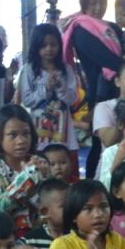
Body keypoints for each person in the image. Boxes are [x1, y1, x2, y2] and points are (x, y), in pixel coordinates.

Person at [0, 105, 50, 237]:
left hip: (38, 235)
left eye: (25, 134)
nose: (21, 141)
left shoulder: (38, 162)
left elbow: (48, 205)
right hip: (5, 238)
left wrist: (46, 179)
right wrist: (28, 176)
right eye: (13, 135)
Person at [16, 24, 79, 157]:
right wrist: (46, 89)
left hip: (63, 126)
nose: (49, 49)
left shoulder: (66, 70)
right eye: (44, 45)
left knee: (63, 163)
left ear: (59, 45)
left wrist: (60, 88)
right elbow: (27, 101)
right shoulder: (29, 70)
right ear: (36, 46)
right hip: (38, 126)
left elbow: (72, 99)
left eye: (53, 44)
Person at [62, 0, 121, 105]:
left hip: (122, 92)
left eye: (103, 2)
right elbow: (110, 61)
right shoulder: (80, 30)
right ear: (84, 3)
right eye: (93, 3)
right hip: (99, 98)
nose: (99, 8)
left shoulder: (112, 28)